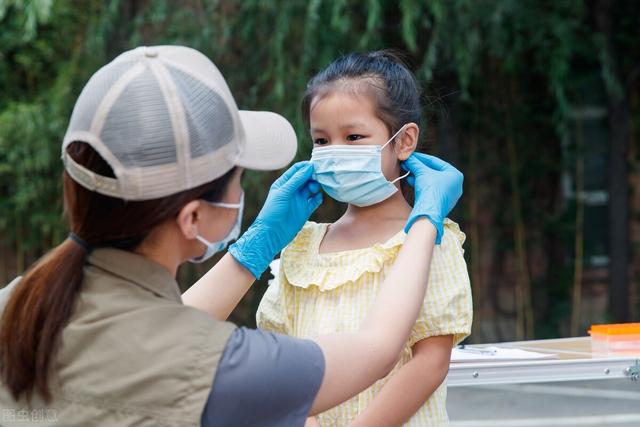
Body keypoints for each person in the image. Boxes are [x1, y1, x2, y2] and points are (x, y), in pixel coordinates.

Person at [0, 46, 463, 427]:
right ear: (193, 218)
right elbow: (377, 350)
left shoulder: (17, 306)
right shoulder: (204, 362)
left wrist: (252, 250)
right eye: (237, 174)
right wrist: (425, 221)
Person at [257, 51, 472, 427]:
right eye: (322, 140)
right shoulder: (302, 245)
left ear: (403, 142)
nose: (335, 151)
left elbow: (431, 361)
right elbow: (278, 356)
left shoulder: (432, 240)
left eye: (353, 136)